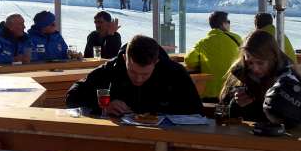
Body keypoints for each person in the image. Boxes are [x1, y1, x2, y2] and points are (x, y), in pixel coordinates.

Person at [66, 34, 203, 116]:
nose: (138, 79)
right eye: (132, 71)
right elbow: (72, 96)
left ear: (156, 62)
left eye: (145, 74)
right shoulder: (112, 68)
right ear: (125, 59)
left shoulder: (175, 73)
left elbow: (196, 109)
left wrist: (156, 110)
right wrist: (103, 105)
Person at [218, 29, 301, 127]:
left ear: (273, 59)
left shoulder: (289, 81)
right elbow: (224, 104)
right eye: (250, 62)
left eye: (260, 63)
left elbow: (298, 123)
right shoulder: (242, 73)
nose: (255, 68)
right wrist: (237, 101)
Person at [184, 11, 242, 101]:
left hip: (210, 94)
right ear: (223, 24)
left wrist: (203, 61)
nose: (229, 24)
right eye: (228, 22)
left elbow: (189, 60)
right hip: (232, 92)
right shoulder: (237, 39)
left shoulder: (203, 42)